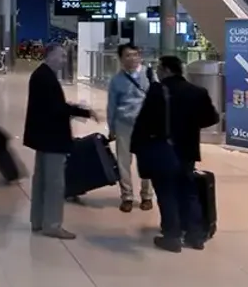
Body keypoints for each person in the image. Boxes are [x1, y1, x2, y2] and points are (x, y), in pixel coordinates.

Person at [131, 55, 220, 253]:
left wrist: (138, 146)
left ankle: (172, 236)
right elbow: (211, 118)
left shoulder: (158, 90)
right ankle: (195, 236)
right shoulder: (197, 92)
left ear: (167, 70)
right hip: (187, 150)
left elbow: (145, 121)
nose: (158, 72)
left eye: (160, 69)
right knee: (188, 191)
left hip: (163, 150)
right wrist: (190, 126)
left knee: (166, 191)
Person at [23, 44, 96, 239]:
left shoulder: (41, 75)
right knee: (55, 183)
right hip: (52, 139)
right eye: (61, 56)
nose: (64, 60)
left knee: (41, 180)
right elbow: (56, 109)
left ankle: (38, 220)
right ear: (50, 56)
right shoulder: (45, 78)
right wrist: (82, 111)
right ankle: (52, 224)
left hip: (43, 137)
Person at [106, 44, 154, 212]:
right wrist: (111, 126)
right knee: (123, 162)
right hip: (123, 124)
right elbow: (112, 105)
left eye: (135, 54)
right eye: (128, 55)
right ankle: (127, 196)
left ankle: (147, 196)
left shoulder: (149, 75)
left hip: (145, 125)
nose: (132, 58)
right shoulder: (116, 80)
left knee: (147, 160)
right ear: (121, 59)